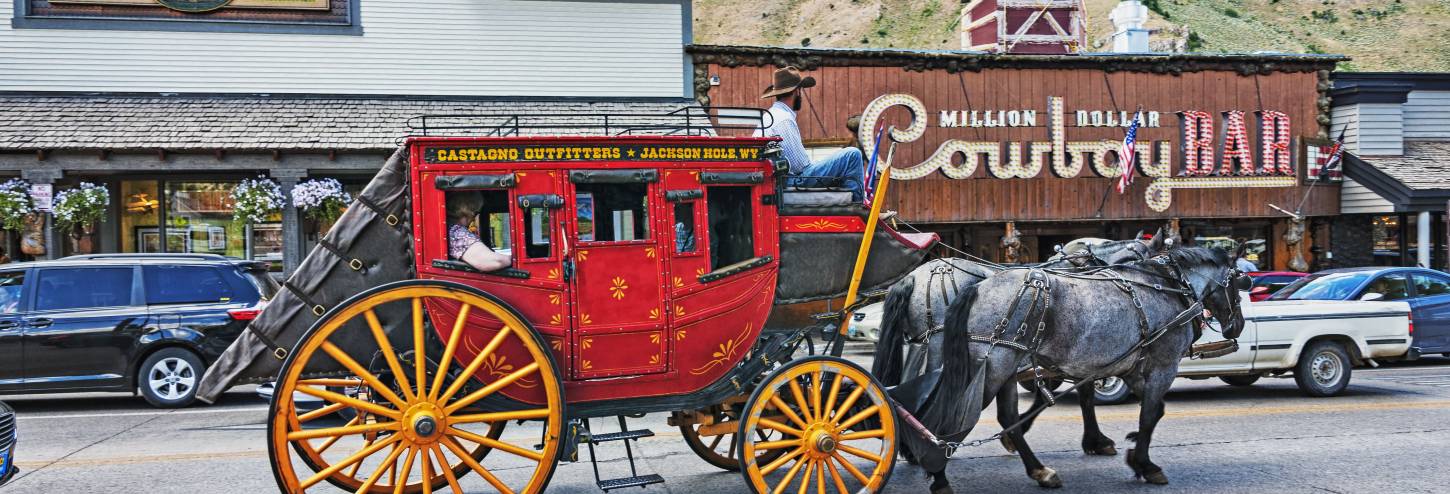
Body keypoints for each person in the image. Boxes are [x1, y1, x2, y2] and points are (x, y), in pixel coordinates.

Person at [757, 66, 869, 201]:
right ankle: (860, 206)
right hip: (790, 181)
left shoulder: (770, 115)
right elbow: (801, 166)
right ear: (797, 91)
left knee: (838, 162)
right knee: (853, 155)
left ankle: (858, 204)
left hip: (779, 179)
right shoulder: (783, 119)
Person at [446, 192, 512, 272]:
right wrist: (513, 259)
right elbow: (494, 262)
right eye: (475, 212)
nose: (474, 219)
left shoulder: (449, 229)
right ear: (467, 211)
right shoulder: (457, 233)